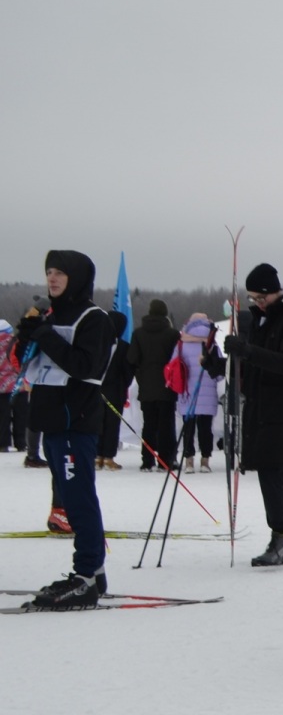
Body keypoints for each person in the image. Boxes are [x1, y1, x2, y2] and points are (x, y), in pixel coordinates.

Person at [14, 251, 118, 608]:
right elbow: (26, 365)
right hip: (52, 421)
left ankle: (86, 574)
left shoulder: (94, 318)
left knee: (78, 499)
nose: (52, 279)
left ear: (76, 277)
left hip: (77, 421)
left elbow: (88, 367)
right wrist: (25, 338)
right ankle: (95, 572)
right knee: (69, 500)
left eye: (60, 273)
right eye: (49, 272)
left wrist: (47, 337)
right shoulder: (51, 315)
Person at [226, 263, 283, 566]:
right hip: (263, 406)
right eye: (253, 298)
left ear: (276, 292)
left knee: (272, 468)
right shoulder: (264, 321)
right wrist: (230, 360)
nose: (258, 303)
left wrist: (248, 351)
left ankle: (281, 536)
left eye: (262, 297)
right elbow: (256, 365)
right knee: (273, 470)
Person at [125, 299, 180, 471]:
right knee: (167, 425)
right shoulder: (172, 334)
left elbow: (132, 358)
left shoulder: (138, 333)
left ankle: (147, 460)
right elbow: (178, 359)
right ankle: (166, 460)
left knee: (148, 424)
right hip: (168, 385)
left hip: (146, 386)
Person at [176, 313, 224, 472]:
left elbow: (173, 365)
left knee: (188, 426)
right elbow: (219, 372)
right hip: (208, 392)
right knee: (205, 428)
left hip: (187, 391)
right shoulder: (212, 345)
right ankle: (205, 460)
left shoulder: (181, 344)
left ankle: (189, 461)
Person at [95, 310, 134, 470]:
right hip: (114, 392)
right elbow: (128, 371)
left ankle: (98, 456)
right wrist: (122, 386)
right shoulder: (124, 347)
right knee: (112, 424)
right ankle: (108, 456)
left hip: (96, 390)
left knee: (97, 423)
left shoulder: (95, 343)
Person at [0, 319, 25, 453]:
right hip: (18, 385)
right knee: (20, 415)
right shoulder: (16, 342)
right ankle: (20, 443)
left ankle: (3, 443)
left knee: (2, 417)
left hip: (1, 387)